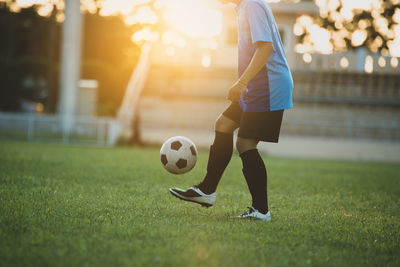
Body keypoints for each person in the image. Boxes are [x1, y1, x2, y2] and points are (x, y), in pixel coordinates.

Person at [169, 0, 293, 222]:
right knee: (223, 125)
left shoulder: (252, 4)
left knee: (245, 143)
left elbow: (265, 48)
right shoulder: (244, 7)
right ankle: (207, 191)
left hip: (268, 83)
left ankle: (261, 210)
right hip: (257, 84)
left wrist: (242, 82)